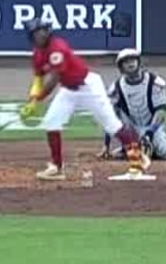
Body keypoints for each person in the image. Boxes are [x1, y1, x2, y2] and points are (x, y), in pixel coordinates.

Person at [19, 18, 147, 180]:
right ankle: (57, 168)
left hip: (88, 86)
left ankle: (138, 162)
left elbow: (54, 79)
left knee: (112, 125)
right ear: (31, 36)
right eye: (37, 33)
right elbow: (38, 79)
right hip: (69, 90)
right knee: (51, 123)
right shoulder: (38, 53)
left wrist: (39, 99)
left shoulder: (57, 48)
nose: (41, 35)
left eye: (43, 30)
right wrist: (32, 101)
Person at [101, 48, 166, 160]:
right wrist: (106, 145)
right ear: (121, 67)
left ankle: (160, 143)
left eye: (133, 60)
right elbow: (110, 116)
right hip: (132, 128)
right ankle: (129, 146)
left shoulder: (153, 82)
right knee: (128, 155)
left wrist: (150, 132)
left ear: (139, 62)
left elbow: (160, 111)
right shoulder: (116, 88)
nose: (130, 63)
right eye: (126, 62)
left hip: (153, 126)